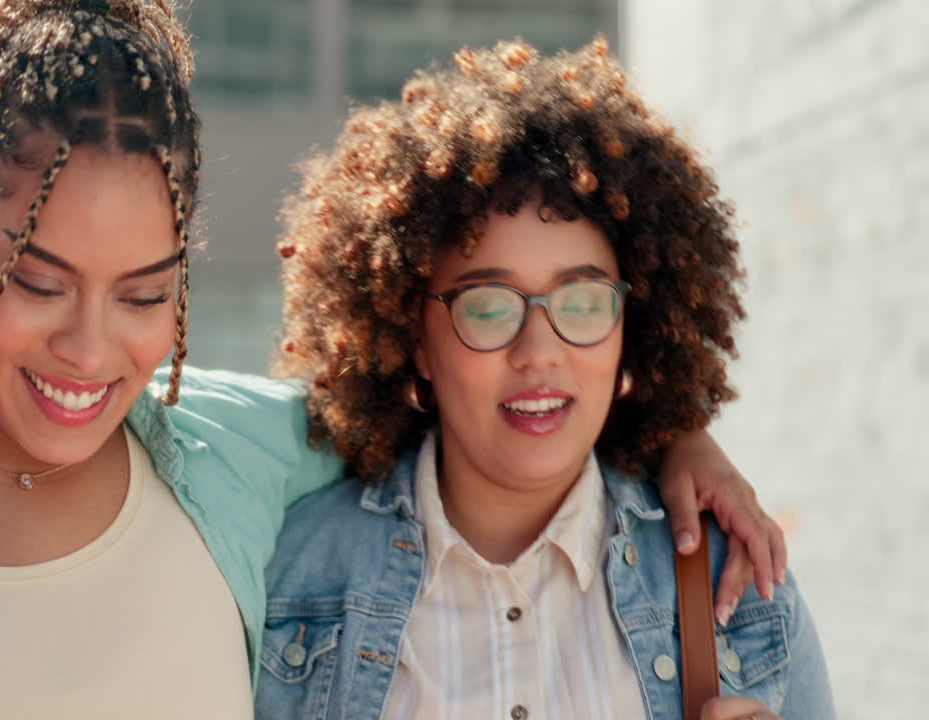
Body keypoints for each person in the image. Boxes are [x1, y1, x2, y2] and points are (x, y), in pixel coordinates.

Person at [0, 3, 780, 717]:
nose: (91, 348)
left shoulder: (249, 461)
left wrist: (673, 430)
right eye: (39, 282)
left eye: (146, 294)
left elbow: (494, 399)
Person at [258, 39, 833, 720]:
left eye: (582, 303)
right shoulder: (288, 587)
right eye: (488, 307)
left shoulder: (737, 587)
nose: (539, 351)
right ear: (415, 340)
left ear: (631, 328)